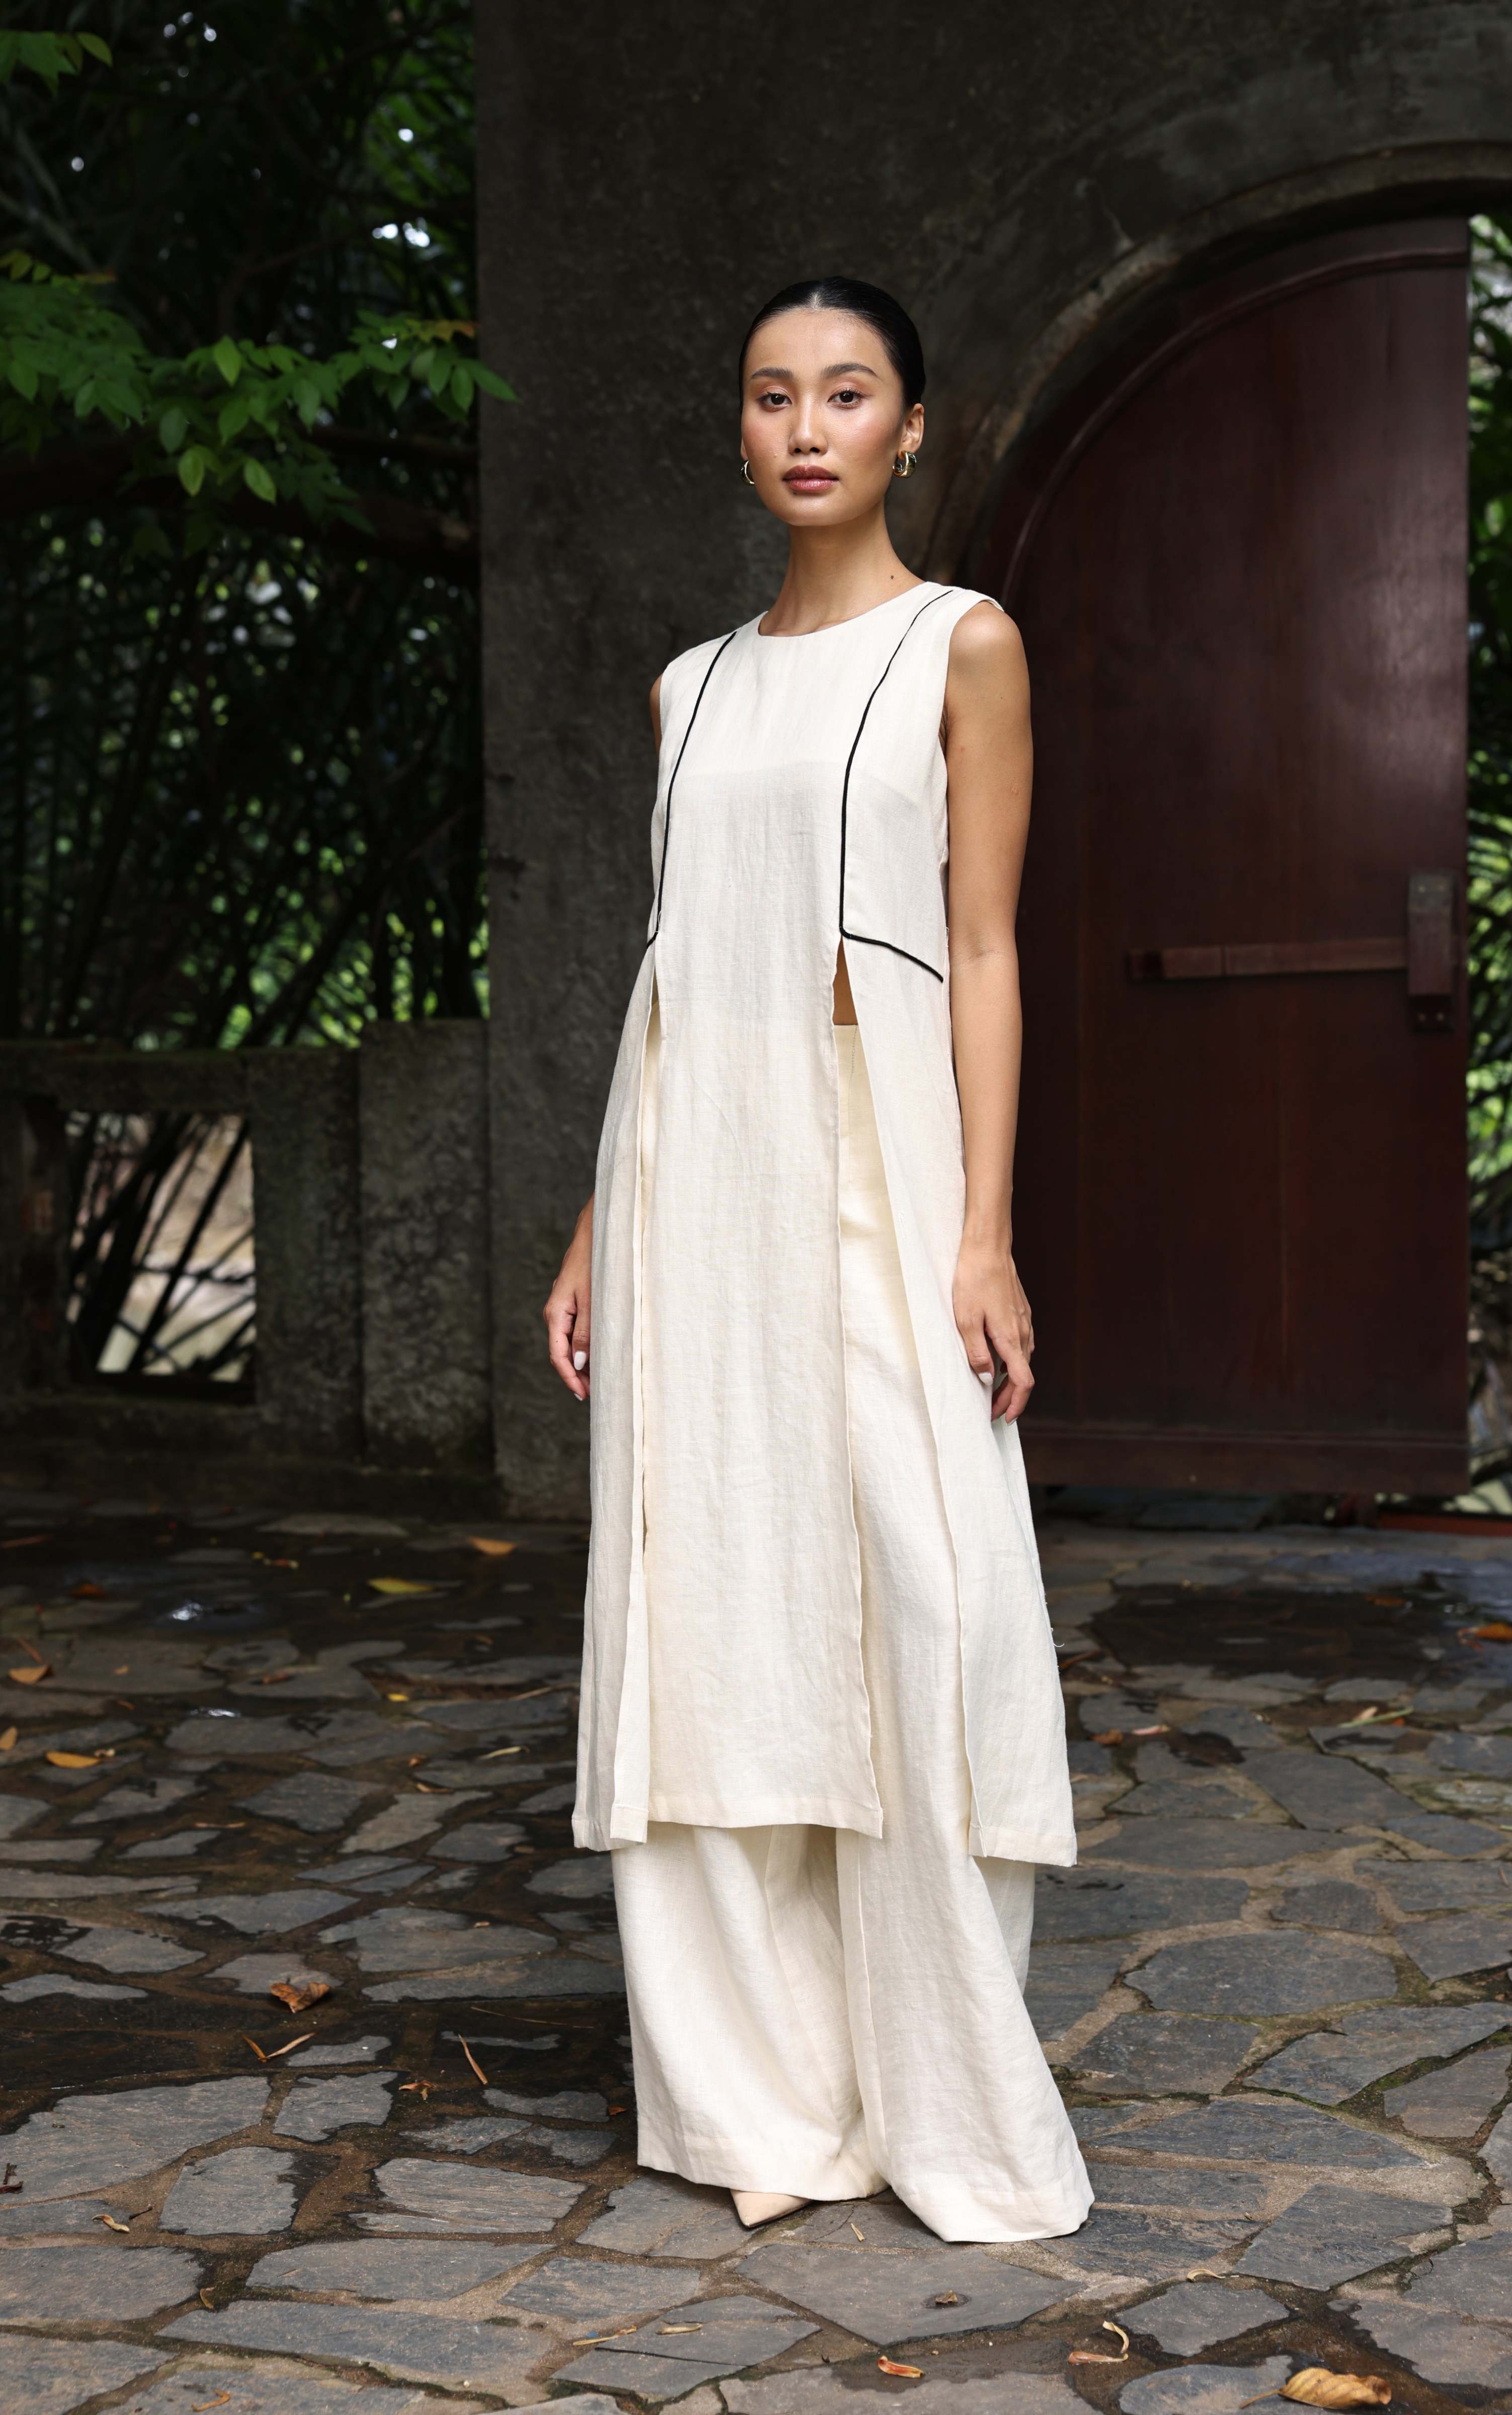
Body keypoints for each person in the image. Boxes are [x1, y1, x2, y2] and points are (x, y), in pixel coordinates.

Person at [544, 276, 1090, 2244]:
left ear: (908, 428)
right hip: (696, 1179)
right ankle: (754, 2108)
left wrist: (981, 1230)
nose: (805, 426)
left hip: (881, 1179)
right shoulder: (688, 690)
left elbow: (990, 947)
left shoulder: (965, 646)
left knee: (916, 1596)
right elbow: (677, 963)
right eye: (770, 393)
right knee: (709, 1608)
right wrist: (604, 1219)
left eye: (844, 393)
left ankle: (933, 2091)